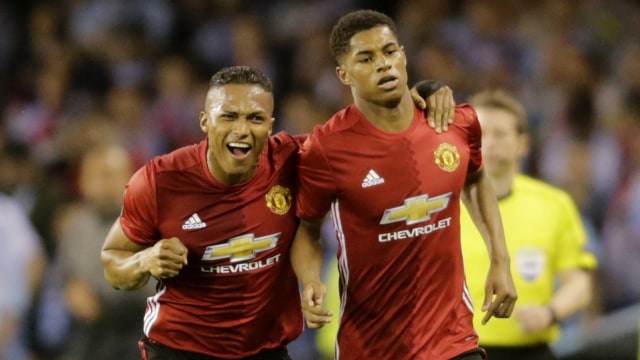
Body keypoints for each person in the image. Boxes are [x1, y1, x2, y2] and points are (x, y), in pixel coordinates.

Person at [100, 65, 455, 359]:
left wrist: (428, 89)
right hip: (180, 349)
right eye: (229, 117)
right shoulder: (159, 181)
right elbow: (113, 262)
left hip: (266, 350)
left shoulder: (295, 160)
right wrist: (145, 260)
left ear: (270, 125)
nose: (242, 130)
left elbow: (368, 131)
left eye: (255, 118)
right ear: (205, 121)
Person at [290, 9, 517, 360]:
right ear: (343, 73)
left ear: (404, 55)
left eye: (389, 51)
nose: (383, 64)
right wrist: (310, 281)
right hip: (371, 348)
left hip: (454, 342)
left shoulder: (455, 123)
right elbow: (306, 229)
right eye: (366, 58)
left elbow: (475, 179)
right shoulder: (326, 148)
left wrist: (500, 261)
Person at [459, 89, 597, 360]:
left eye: (499, 134)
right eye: (481, 134)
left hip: (530, 351)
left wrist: (550, 312)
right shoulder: (446, 204)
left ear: (522, 144)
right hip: (460, 351)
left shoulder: (553, 204)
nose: (489, 143)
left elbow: (580, 284)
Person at [56, 144, 154, 359]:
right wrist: (71, 290)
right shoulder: (75, 225)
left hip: (136, 334)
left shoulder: (149, 222)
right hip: (88, 337)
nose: (105, 184)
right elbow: (65, 275)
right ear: (83, 182)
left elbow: (157, 290)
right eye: (96, 176)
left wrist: (104, 302)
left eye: (111, 175)